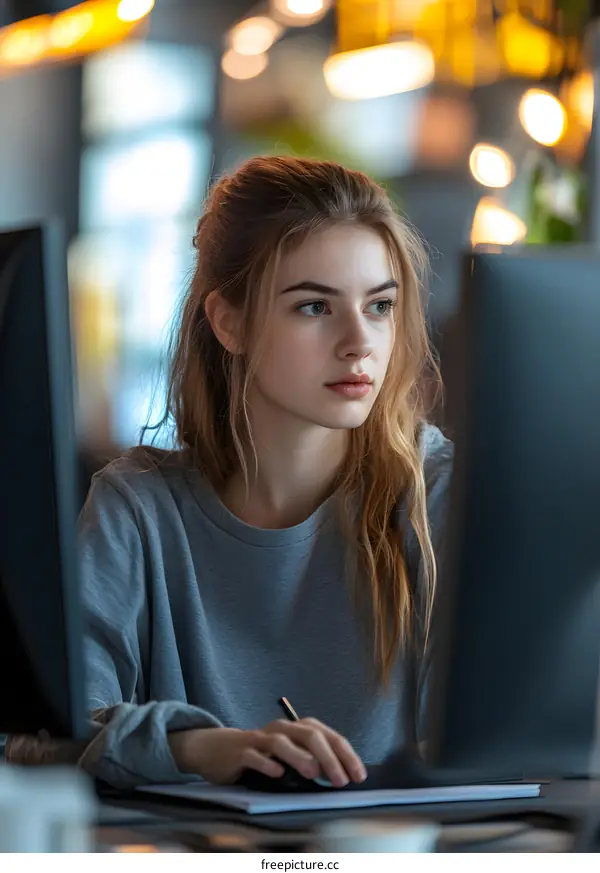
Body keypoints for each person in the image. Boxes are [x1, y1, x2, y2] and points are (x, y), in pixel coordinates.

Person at [7, 156, 453, 789]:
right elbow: (37, 735)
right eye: (314, 308)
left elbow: (500, 736)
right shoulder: (138, 510)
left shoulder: (435, 495)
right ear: (229, 323)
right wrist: (201, 747)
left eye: (379, 305)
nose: (360, 341)